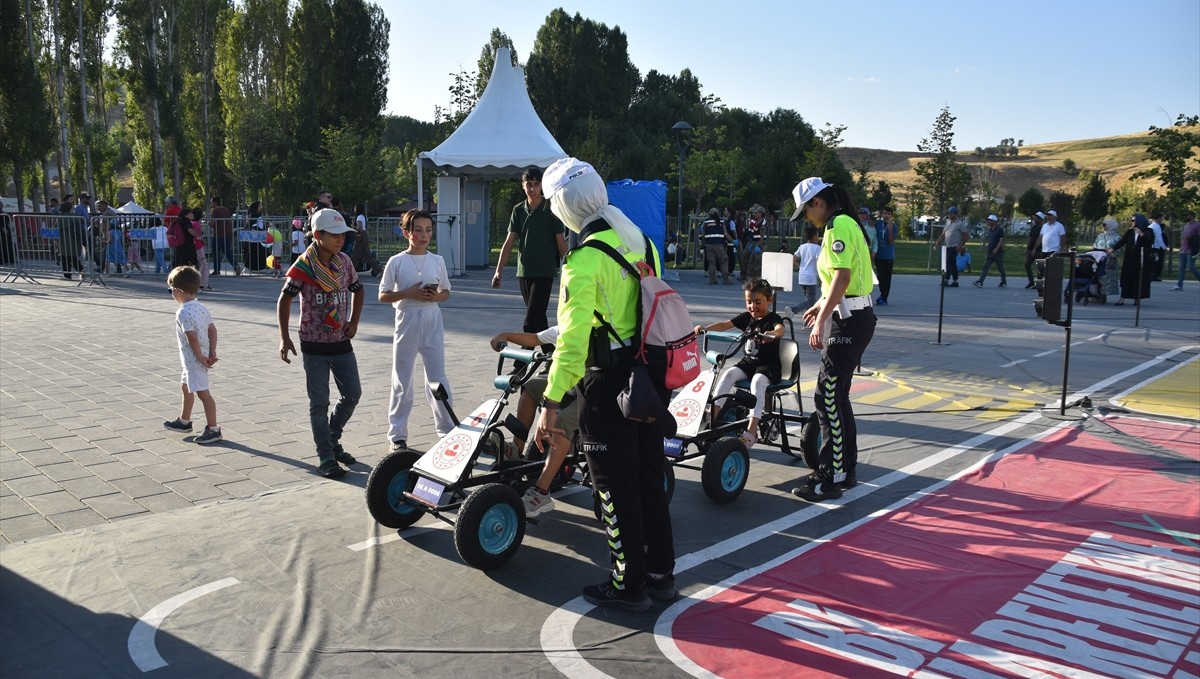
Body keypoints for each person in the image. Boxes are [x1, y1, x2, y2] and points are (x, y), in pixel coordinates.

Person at [533, 157, 676, 611]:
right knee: (650, 477)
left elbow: (573, 343)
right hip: (649, 377)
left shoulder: (583, 259)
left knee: (613, 487)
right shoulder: (643, 244)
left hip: (608, 382)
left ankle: (626, 582)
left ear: (565, 207)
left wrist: (551, 402)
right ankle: (659, 573)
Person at [789, 177, 876, 502]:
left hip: (848, 322)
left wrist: (821, 321)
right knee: (837, 397)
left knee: (826, 396)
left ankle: (831, 476)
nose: (807, 219)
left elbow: (842, 276)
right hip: (853, 316)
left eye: (806, 211)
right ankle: (845, 470)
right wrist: (819, 305)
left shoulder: (838, 226)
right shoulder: (843, 224)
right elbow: (837, 282)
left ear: (818, 202)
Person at [276, 208, 364, 478]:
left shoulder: (345, 262)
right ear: (318, 235)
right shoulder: (304, 266)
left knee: (353, 394)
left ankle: (333, 439)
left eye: (343, 235)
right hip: (313, 344)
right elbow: (285, 299)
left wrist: (353, 321)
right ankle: (325, 454)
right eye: (334, 234)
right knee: (319, 402)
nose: (340, 239)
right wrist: (285, 336)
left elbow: (358, 290)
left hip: (341, 341)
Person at [379, 209, 453, 454]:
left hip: (432, 318)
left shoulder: (437, 260)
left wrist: (435, 296)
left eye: (428, 230)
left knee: (438, 377)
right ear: (406, 232)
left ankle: (447, 430)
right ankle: (397, 435)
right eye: (418, 230)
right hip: (407, 319)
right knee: (402, 378)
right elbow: (383, 295)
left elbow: (446, 291)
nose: (424, 235)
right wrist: (408, 293)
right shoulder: (397, 261)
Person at [488, 326, 579, 518]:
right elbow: (535, 338)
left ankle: (541, 492)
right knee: (530, 388)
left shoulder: (592, 328)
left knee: (561, 422)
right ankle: (516, 449)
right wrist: (506, 334)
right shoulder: (570, 323)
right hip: (566, 386)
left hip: (589, 393)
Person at [695, 278, 785, 447]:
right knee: (728, 374)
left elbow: (780, 329)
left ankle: (751, 431)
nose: (753, 307)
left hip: (768, 366)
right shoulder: (746, 318)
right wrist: (705, 329)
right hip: (749, 364)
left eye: (758, 302)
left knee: (758, 382)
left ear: (769, 301)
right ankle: (711, 418)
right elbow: (724, 325)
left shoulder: (773, 318)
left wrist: (772, 334)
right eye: (749, 302)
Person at [493, 167, 568, 348]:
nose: (532, 189)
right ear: (523, 185)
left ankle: (522, 363)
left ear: (542, 186)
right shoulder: (518, 210)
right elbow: (509, 242)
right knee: (538, 319)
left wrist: (568, 268)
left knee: (530, 320)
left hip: (545, 272)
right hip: (525, 271)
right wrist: (498, 271)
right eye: (529, 184)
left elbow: (560, 243)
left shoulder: (551, 209)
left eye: (536, 184)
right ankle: (551, 355)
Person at [162, 265, 222, 444]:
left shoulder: (183, 313)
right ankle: (184, 420)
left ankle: (214, 429)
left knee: (203, 393)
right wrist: (212, 351)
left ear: (178, 291)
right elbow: (212, 329)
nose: (171, 294)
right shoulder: (201, 307)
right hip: (196, 358)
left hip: (195, 360)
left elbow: (192, 338)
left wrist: (200, 358)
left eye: (170, 290)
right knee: (185, 387)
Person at [1109, 214, 1154, 306]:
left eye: (1134, 220)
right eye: (1132, 220)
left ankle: (1137, 298)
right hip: (1129, 259)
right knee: (1126, 278)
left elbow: (1150, 241)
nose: (1132, 222)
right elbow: (1122, 241)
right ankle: (1122, 298)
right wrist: (1112, 249)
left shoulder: (1148, 231)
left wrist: (1141, 233)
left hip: (1141, 259)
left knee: (1139, 279)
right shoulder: (1130, 232)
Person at [933, 206, 968, 287]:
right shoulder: (948, 222)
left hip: (955, 246)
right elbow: (943, 234)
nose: (949, 215)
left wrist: (960, 245)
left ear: (955, 214)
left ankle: (946, 279)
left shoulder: (960, 224)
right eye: (948, 213)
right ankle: (955, 281)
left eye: (950, 213)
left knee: (948, 262)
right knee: (952, 264)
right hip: (947, 246)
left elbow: (966, 236)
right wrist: (938, 243)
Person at [790, 225, 821, 313]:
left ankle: (807, 322)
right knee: (811, 301)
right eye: (818, 235)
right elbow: (819, 263)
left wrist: (800, 267)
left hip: (802, 277)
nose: (818, 237)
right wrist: (820, 278)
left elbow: (793, 259)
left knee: (809, 301)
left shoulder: (802, 247)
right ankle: (793, 310)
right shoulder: (817, 248)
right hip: (811, 278)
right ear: (814, 236)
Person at [973, 215, 1007, 287]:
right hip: (990, 252)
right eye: (987, 220)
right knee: (985, 266)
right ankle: (980, 281)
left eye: (989, 220)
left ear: (994, 221)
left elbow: (1001, 240)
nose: (987, 222)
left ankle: (1003, 281)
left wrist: (997, 248)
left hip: (998, 253)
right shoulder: (990, 230)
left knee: (1000, 268)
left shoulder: (999, 230)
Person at [350, 203, 383, 276]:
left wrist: (352, 226)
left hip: (360, 237)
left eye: (355, 208)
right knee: (367, 255)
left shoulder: (359, 217)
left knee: (356, 254)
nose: (354, 209)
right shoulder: (363, 216)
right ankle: (379, 269)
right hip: (364, 236)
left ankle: (351, 271)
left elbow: (360, 228)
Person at [701, 208, 732, 285]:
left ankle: (712, 280)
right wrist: (733, 240)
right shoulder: (721, 221)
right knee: (723, 261)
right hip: (719, 245)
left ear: (709, 214)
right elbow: (725, 233)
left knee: (712, 262)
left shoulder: (706, 222)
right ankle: (726, 280)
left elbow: (704, 234)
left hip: (709, 245)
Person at [1093, 218, 1123, 298]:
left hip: (1110, 260)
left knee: (1107, 277)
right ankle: (1096, 294)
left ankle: (1104, 294)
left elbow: (1119, 248)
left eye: (1105, 225)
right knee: (1097, 276)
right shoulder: (1100, 236)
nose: (1103, 226)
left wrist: (1112, 252)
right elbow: (1095, 245)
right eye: (1103, 225)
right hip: (1099, 259)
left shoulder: (1116, 237)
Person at [874, 207, 897, 305]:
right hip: (878, 255)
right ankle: (882, 294)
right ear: (882, 214)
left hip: (888, 256)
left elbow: (891, 241)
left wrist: (890, 230)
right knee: (880, 276)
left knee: (887, 278)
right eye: (884, 213)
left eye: (888, 214)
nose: (886, 216)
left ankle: (884, 297)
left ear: (891, 215)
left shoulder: (893, 226)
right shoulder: (878, 224)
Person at [1172, 212, 1200, 291]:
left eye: (1187, 215)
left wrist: (1191, 238)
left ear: (1192, 216)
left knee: (1191, 267)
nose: (1186, 217)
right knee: (1181, 268)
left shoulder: (1197, 225)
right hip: (1183, 250)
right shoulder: (1186, 225)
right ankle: (1179, 285)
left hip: (1191, 250)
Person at [99, 201, 127, 276]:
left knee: (107, 258)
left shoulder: (107, 213)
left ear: (104, 205)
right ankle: (120, 270)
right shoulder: (109, 213)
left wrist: (105, 238)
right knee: (113, 257)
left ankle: (104, 270)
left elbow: (104, 224)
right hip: (113, 239)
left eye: (100, 206)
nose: (99, 208)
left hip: (110, 238)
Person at [209, 196, 234, 276]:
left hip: (218, 234)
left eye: (212, 202)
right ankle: (236, 265)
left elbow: (212, 222)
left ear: (215, 202)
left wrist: (208, 223)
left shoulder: (215, 210)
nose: (211, 204)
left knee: (216, 253)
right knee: (227, 252)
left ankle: (217, 270)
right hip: (228, 234)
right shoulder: (226, 209)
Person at [188, 209, 211, 290]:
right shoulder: (196, 224)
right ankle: (203, 283)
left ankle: (199, 282)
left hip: (193, 245)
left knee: (199, 264)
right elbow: (197, 235)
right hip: (198, 245)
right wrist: (202, 239)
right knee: (204, 264)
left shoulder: (191, 223)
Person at [1023, 211, 1046, 289]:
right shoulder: (1034, 227)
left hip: (1040, 250)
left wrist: (1035, 249)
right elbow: (1030, 238)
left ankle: (1039, 283)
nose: (1034, 220)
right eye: (1034, 218)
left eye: (1036, 218)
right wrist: (1027, 248)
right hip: (1031, 249)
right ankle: (1031, 281)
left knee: (1040, 267)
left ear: (1040, 219)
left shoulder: (1044, 228)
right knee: (1027, 264)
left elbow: (1041, 239)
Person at [1147, 212, 1167, 281]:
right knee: (1156, 261)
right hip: (1155, 247)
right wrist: (1163, 246)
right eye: (1162, 218)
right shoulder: (1157, 226)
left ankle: (1150, 274)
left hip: (1150, 246)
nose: (1162, 219)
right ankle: (1154, 275)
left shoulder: (1150, 226)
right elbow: (1159, 237)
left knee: (1152, 261)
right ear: (1158, 218)